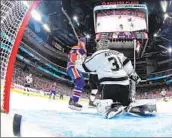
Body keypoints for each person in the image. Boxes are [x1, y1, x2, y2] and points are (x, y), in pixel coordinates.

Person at [77, 44, 142, 118]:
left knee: (107, 109)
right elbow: (127, 63)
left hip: (109, 84)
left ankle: (112, 107)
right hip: (124, 83)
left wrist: (77, 63)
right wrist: (135, 77)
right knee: (125, 106)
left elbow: (85, 68)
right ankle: (127, 105)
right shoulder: (116, 52)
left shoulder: (97, 55)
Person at [67, 38, 87, 111]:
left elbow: (83, 57)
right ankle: (74, 101)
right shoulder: (76, 47)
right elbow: (81, 55)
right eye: (82, 42)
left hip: (76, 67)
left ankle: (72, 100)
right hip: (73, 66)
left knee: (80, 83)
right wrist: (83, 48)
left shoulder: (80, 49)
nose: (83, 43)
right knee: (80, 82)